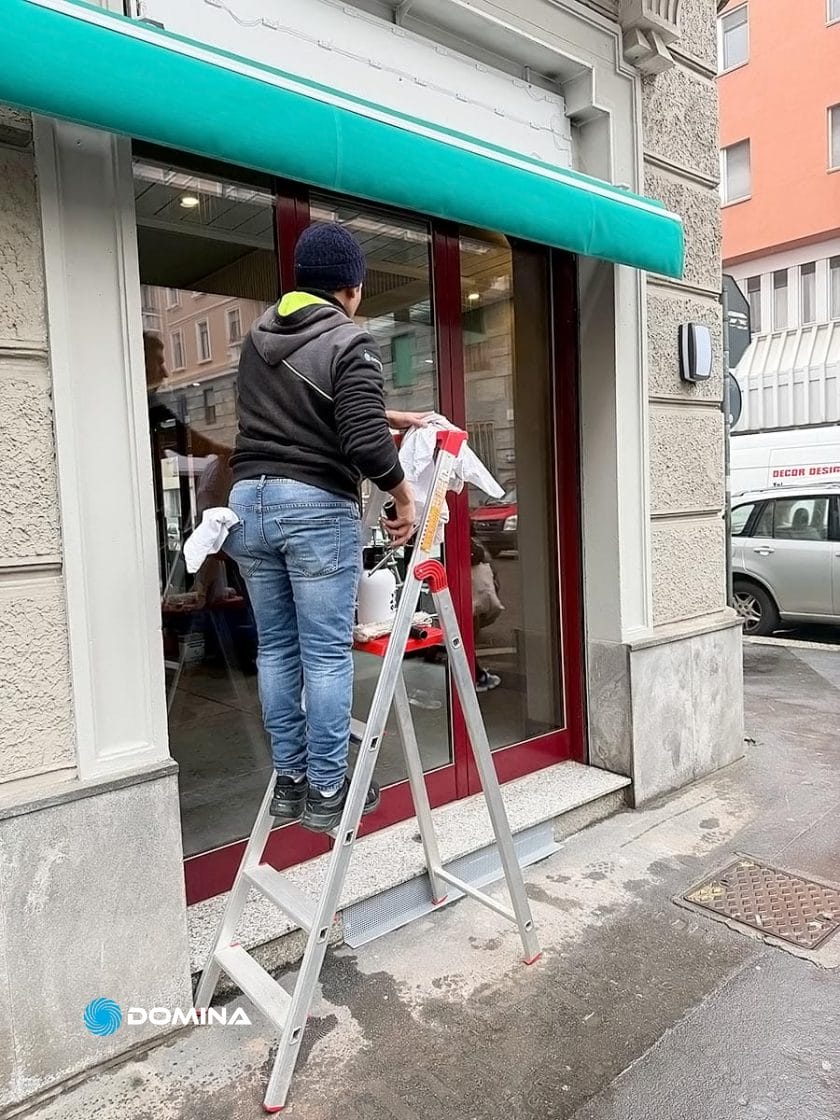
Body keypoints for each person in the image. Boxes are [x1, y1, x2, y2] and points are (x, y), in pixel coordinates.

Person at [225, 222, 426, 833]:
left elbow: (302, 407)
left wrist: (387, 409)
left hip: (248, 505)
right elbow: (363, 441)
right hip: (312, 506)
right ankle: (328, 790)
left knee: (278, 649)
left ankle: (290, 782)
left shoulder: (260, 339)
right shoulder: (350, 341)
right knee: (326, 654)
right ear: (353, 287)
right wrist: (404, 496)